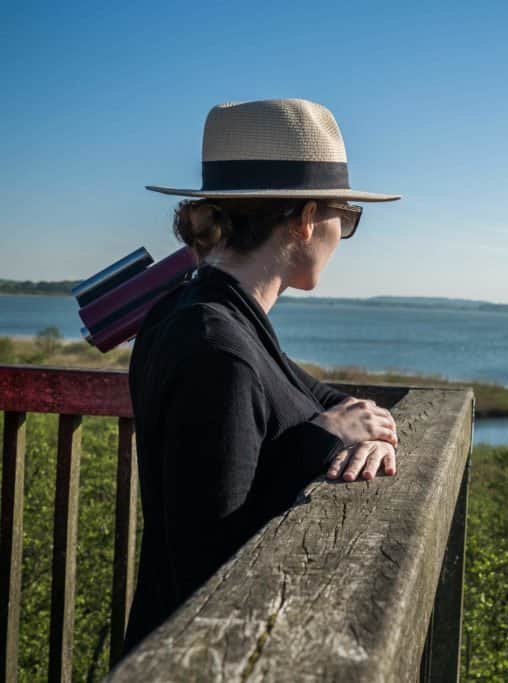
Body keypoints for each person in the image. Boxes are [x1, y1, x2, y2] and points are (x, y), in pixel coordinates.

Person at [122, 99, 402, 652]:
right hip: (193, 659)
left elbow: (307, 393)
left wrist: (359, 423)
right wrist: (324, 439)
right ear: (303, 219)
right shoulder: (216, 349)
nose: (340, 234)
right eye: (342, 217)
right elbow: (209, 553)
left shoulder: (209, 312)